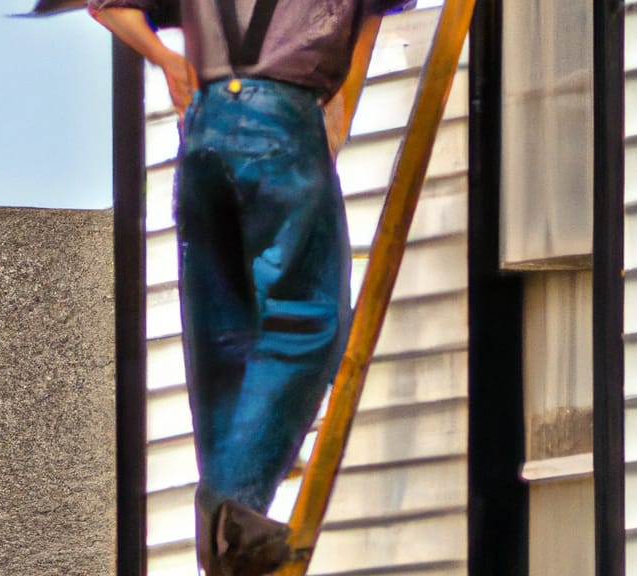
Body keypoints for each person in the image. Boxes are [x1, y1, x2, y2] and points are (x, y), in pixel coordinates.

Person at [88, 0, 397, 573]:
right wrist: (341, 106)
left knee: (223, 343)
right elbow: (369, 16)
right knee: (307, 322)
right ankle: (233, 513)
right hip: (281, 120)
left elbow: (107, 8)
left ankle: (226, 527)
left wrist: (167, 61)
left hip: (205, 131)